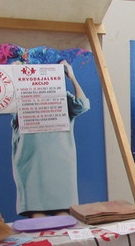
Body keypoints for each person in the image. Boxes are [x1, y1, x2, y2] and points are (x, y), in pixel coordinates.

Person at [11, 60, 89, 218]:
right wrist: (12, 76)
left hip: (60, 165)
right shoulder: (20, 97)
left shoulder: (62, 97)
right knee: (37, 217)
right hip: (31, 163)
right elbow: (1, 100)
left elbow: (82, 105)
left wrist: (72, 77)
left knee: (63, 217)